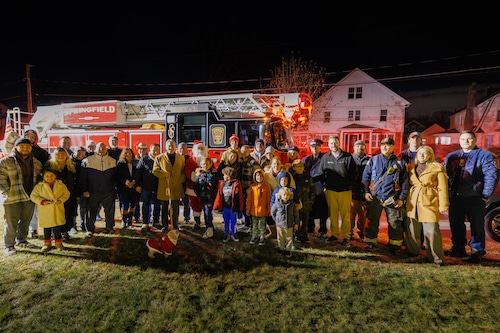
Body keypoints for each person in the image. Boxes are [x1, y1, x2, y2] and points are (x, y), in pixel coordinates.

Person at [444, 130, 497, 263]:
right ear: (459, 141)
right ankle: (458, 247)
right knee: (456, 224)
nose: (466, 142)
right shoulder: (452, 156)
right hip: (455, 197)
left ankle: (476, 251)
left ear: (475, 140)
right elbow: (445, 176)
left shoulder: (485, 156)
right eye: (463, 139)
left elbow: (491, 176)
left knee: (477, 226)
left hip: (475, 197)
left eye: (469, 139)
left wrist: (485, 195)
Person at [362, 137, 409, 254]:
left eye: (388, 145)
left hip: (392, 198)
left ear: (393, 147)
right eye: (382, 145)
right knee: (371, 221)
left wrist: (401, 198)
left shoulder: (400, 163)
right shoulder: (373, 160)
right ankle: (370, 242)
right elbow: (365, 178)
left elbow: (405, 182)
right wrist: (366, 192)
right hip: (375, 197)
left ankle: (395, 245)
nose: (385, 147)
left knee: (395, 222)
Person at [406, 146, 449, 267]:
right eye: (420, 153)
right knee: (412, 229)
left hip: (429, 200)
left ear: (430, 155)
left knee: (431, 230)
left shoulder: (437, 168)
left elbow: (443, 187)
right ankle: (412, 252)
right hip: (413, 200)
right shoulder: (410, 168)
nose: (423, 155)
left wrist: (443, 205)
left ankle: (436, 257)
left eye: (426, 153)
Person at [0, 138, 43, 255]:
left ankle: (22, 240)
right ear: (16, 147)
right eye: (22, 146)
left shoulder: (36, 163)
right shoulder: (6, 162)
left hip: (29, 197)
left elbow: (39, 179)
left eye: (28, 146)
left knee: (26, 220)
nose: (25, 149)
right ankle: (9, 245)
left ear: (31, 148)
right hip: (12, 197)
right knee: (11, 222)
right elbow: (1, 179)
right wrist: (7, 191)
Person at [312, 135, 357, 247]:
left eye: (335, 143)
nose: (333, 145)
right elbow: (320, 173)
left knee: (345, 215)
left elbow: (354, 174)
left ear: (339, 143)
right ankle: (334, 235)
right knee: (332, 215)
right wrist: (310, 179)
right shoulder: (326, 157)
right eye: (331, 143)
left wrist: (349, 184)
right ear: (328, 145)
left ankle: (346, 237)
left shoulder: (348, 157)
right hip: (331, 191)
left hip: (345, 191)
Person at [79, 142, 117, 237]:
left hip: (108, 191)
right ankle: (90, 229)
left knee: (109, 210)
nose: (101, 149)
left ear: (106, 149)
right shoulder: (87, 161)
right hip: (92, 192)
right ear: (95, 149)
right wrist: (85, 190)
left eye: (103, 147)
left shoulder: (112, 161)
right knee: (91, 211)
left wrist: (114, 188)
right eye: (99, 147)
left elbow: (115, 177)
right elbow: (83, 178)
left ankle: (109, 226)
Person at [30, 168, 71, 252]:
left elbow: (66, 193)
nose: (49, 177)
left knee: (57, 227)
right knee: (47, 228)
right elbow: (33, 196)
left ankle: (58, 243)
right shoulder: (39, 186)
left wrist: (61, 200)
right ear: (43, 177)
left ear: (55, 176)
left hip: (57, 209)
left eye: (52, 175)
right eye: (47, 176)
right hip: (46, 211)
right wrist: (42, 201)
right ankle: (47, 243)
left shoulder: (60, 184)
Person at [45, 147, 79, 241]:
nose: (61, 156)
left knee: (68, 214)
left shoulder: (72, 165)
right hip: (56, 194)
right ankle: (56, 233)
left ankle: (65, 232)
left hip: (70, 194)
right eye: (58, 154)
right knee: (56, 214)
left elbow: (76, 180)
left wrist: (76, 193)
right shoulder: (50, 165)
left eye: (63, 154)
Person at [153, 139, 186, 233]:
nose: (170, 147)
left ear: (175, 147)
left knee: (175, 207)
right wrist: (163, 174)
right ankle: (165, 225)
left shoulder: (181, 158)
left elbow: (183, 171)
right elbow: (155, 171)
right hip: (165, 186)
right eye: (169, 146)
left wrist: (181, 179)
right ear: (165, 147)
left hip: (176, 186)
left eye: (172, 145)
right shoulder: (159, 158)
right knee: (164, 207)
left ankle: (175, 225)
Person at [23, 128, 50, 238]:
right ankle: (29, 229)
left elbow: (48, 164)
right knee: (26, 209)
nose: (30, 138)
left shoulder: (40, 152)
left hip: (36, 184)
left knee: (37, 208)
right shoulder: (19, 150)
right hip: (23, 183)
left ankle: (37, 229)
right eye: (27, 136)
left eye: (32, 137)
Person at [264, 156, 296, 239]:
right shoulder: (266, 175)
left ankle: (285, 235)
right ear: (271, 165)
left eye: (278, 164)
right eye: (274, 164)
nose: (276, 166)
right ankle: (273, 232)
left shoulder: (286, 174)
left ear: (281, 165)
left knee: (283, 216)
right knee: (270, 214)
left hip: (284, 199)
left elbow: (292, 187)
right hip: (271, 199)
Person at [303, 138, 329, 238]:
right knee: (310, 208)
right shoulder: (306, 159)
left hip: (320, 187)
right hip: (310, 187)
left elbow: (327, 173)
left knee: (323, 209)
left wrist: (325, 185)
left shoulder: (325, 158)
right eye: (313, 147)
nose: (314, 149)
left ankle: (322, 229)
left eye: (316, 147)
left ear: (320, 147)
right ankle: (310, 227)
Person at [213, 166, 244, 243]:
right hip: (225, 206)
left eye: (225, 175)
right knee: (226, 220)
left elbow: (239, 196)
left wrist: (240, 206)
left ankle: (233, 233)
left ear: (229, 175)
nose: (223, 176)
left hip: (232, 207)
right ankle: (227, 233)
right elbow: (219, 195)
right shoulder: (222, 184)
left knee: (233, 221)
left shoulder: (236, 184)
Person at [135, 143, 161, 231]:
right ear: (150, 150)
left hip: (158, 187)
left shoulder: (161, 159)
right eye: (154, 150)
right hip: (146, 187)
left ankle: (156, 221)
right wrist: (138, 185)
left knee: (157, 205)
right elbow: (138, 172)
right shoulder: (144, 159)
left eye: (157, 150)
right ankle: (145, 222)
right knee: (146, 205)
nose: (156, 152)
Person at [290, 159, 315, 243]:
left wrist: (311, 201)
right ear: (294, 168)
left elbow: (312, 190)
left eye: (301, 166)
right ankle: (297, 235)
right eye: (297, 167)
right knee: (297, 220)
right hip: (297, 204)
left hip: (306, 203)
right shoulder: (293, 178)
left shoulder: (308, 177)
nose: (300, 168)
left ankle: (304, 235)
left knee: (305, 221)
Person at [185, 141, 208, 231]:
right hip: (193, 187)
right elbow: (187, 171)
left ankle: (208, 223)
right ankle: (197, 222)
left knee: (206, 206)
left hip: (205, 188)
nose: (200, 150)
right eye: (199, 148)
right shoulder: (190, 160)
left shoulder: (207, 159)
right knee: (195, 205)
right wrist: (196, 176)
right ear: (195, 149)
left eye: (202, 148)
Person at [193, 157, 218, 239]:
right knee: (206, 213)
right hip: (203, 198)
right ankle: (210, 227)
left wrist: (213, 195)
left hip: (211, 198)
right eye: (203, 164)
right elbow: (195, 187)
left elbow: (216, 186)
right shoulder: (199, 175)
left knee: (208, 213)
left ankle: (209, 229)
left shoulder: (214, 174)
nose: (205, 166)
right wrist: (200, 195)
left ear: (210, 164)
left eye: (207, 164)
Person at [271, 186, 300, 258]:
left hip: (289, 224)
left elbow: (296, 214)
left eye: (287, 195)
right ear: (280, 195)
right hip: (280, 225)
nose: (286, 196)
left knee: (289, 238)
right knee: (280, 237)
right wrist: (276, 220)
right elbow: (273, 212)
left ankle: (288, 250)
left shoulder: (292, 204)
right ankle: (281, 248)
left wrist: (296, 223)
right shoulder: (277, 203)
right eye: (284, 195)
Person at [350, 140, 370, 240]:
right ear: (354, 147)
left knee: (362, 215)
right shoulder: (349, 159)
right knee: (350, 214)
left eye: (362, 147)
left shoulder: (369, 160)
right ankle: (349, 232)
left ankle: (361, 231)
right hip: (352, 191)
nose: (360, 148)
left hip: (364, 191)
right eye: (357, 146)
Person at [246, 168, 272, 245]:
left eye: (261, 176)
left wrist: (268, 209)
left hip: (263, 210)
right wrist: (248, 208)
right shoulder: (252, 187)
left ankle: (262, 237)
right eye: (257, 176)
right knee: (254, 224)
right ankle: (254, 236)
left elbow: (268, 199)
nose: (259, 178)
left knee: (262, 225)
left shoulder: (266, 187)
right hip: (254, 210)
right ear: (255, 177)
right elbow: (249, 199)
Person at [116, 147, 139, 229]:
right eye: (126, 153)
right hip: (123, 188)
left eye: (129, 152)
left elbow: (138, 174)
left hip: (133, 188)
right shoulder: (120, 163)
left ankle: (130, 222)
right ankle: (124, 221)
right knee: (124, 205)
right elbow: (118, 176)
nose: (128, 154)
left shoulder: (136, 162)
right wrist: (127, 182)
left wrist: (134, 182)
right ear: (123, 154)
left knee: (132, 205)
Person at [71, 146, 87, 233]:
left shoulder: (86, 161)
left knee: (83, 208)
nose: (80, 154)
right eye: (78, 152)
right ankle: (73, 226)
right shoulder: (69, 161)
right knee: (73, 209)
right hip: (73, 189)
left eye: (82, 152)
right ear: (74, 152)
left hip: (83, 189)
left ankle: (83, 225)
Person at [133, 142, 149, 223]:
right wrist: (136, 185)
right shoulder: (134, 160)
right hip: (137, 185)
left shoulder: (149, 159)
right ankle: (136, 217)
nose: (142, 151)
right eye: (140, 149)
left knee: (147, 203)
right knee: (136, 202)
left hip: (147, 185)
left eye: (144, 149)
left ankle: (146, 218)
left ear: (146, 150)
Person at [177, 142, 192, 224]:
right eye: (180, 148)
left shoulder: (189, 159)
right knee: (174, 201)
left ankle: (187, 218)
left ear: (187, 150)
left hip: (185, 182)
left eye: (183, 148)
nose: (182, 150)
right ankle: (173, 217)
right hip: (176, 182)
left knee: (186, 201)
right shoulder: (175, 157)